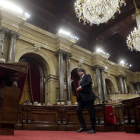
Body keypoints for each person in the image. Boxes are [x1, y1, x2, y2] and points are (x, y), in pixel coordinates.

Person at [76, 68, 96, 134]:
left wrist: (81, 87)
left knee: (91, 113)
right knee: (78, 110)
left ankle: (93, 128)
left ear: (83, 72)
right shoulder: (80, 79)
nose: (78, 73)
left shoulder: (88, 76)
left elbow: (90, 82)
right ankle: (83, 126)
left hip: (89, 97)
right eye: (77, 72)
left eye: (79, 71)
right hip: (82, 98)